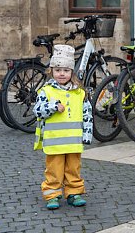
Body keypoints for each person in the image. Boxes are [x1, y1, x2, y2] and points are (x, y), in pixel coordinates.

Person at [32, 44, 93, 210]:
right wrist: (52, 106)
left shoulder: (80, 93)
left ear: (71, 72)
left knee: (73, 169)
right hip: (54, 142)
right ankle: (52, 194)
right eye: (58, 70)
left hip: (73, 142)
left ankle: (74, 192)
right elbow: (37, 111)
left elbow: (87, 114)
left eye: (66, 70)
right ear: (51, 71)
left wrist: (87, 135)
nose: (61, 74)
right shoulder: (46, 91)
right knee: (54, 170)